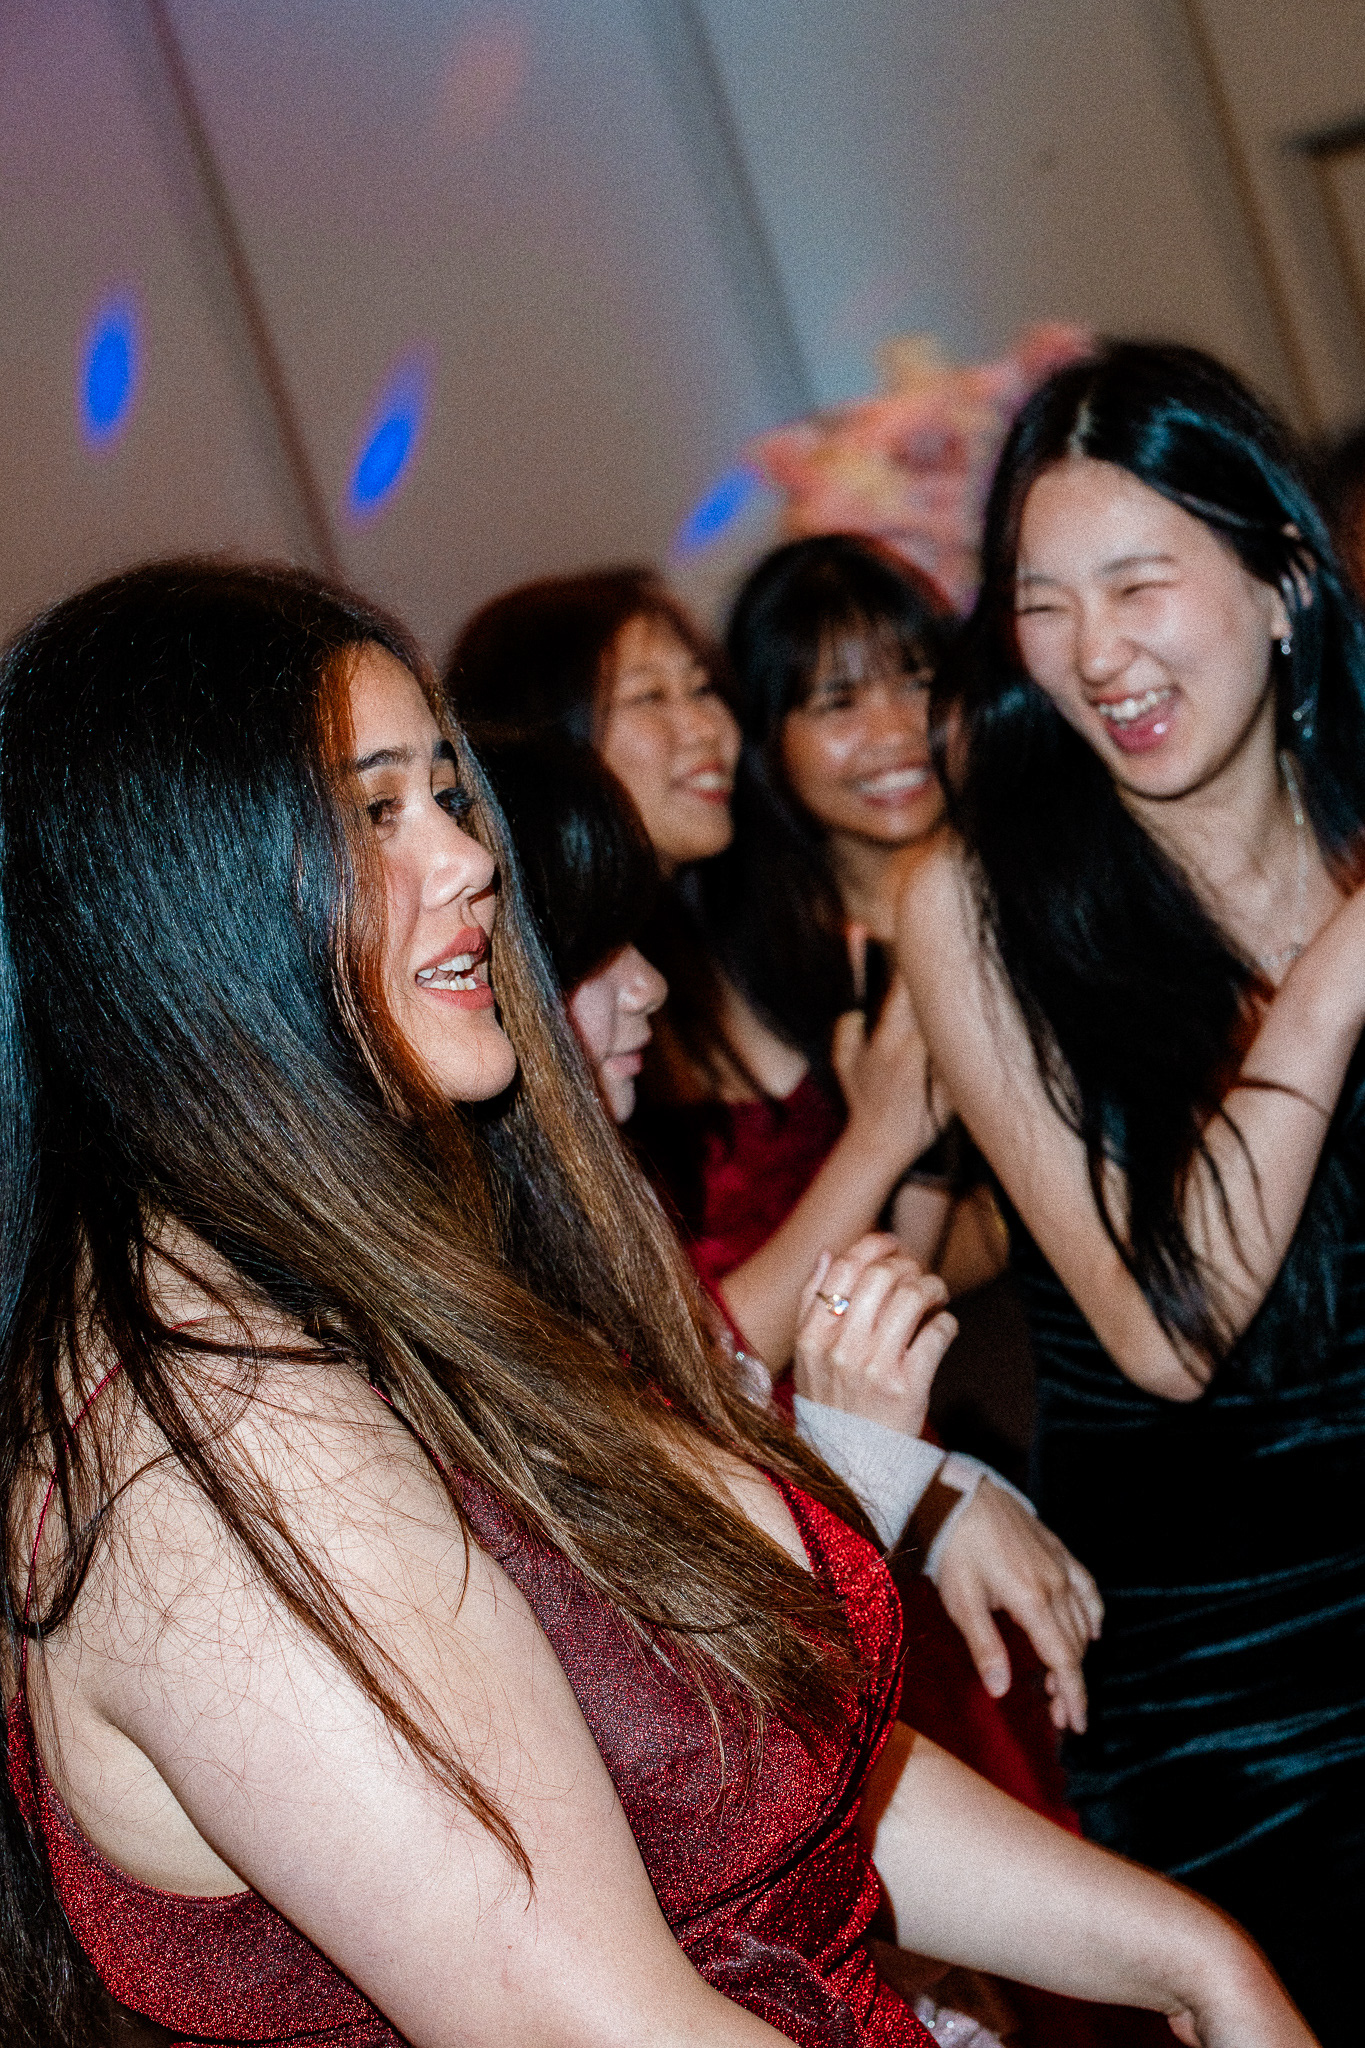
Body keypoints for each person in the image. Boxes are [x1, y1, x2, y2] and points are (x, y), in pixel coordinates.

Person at [0, 560, 1315, 2048]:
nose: (468, 858)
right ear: (177, 907)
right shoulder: (218, 1443)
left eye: (447, 796)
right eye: (374, 814)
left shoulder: (379, 1297)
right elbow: (596, 2025)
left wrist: (1193, 1958)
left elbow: (753, 1777)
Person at [895, 339, 1365, 2047]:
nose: (1095, 653)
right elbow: (1170, 1327)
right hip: (1238, 1713)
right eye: (1043, 603)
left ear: (1282, 582)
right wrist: (1339, 968)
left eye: (1138, 583)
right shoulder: (984, 908)